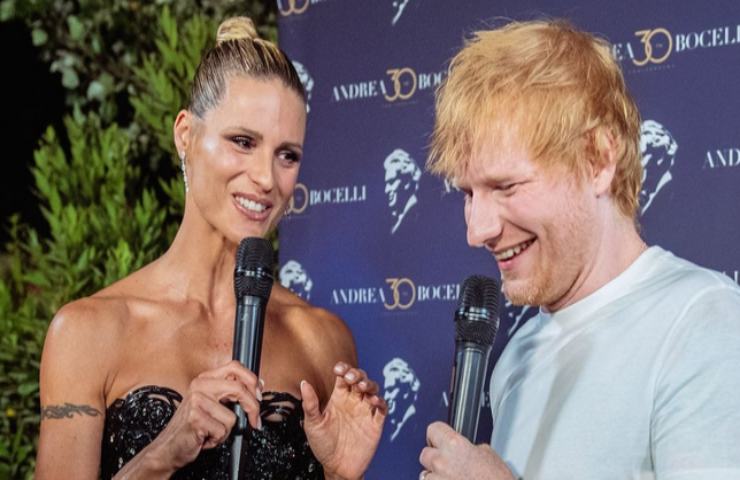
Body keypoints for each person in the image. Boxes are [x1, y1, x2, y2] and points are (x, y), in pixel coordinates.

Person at [36, 17, 386, 480]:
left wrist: (341, 475)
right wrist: (160, 455)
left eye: (287, 155)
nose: (266, 178)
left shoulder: (321, 340)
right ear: (186, 135)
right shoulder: (86, 333)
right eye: (242, 142)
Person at [420, 19, 740, 479]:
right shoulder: (518, 355)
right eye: (469, 194)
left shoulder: (701, 323)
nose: (478, 230)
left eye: (506, 186)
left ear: (598, 160)